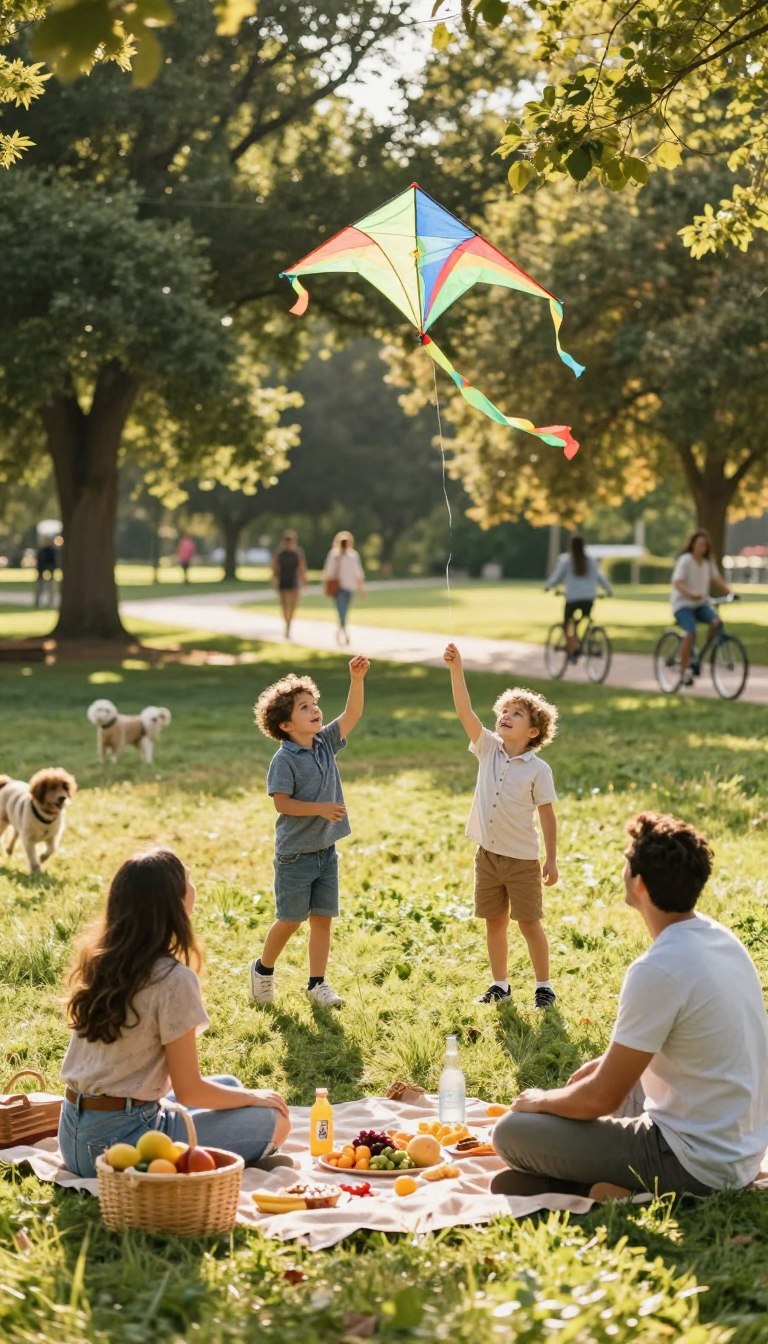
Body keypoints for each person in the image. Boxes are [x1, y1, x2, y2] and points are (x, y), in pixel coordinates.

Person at [491, 811, 768, 1200]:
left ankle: (597, 1186)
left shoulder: (657, 968)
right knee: (584, 1089)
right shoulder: (722, 940)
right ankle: (593, 1178)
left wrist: (540, 1100)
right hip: (741, 1145)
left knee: (512, 1132)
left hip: (695, 1162)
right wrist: (601, 1070)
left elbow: (599, 1099)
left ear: (638, 883)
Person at [59, 848, 291, 1178]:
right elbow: (190, 1091)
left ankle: (247, 1146)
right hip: (118, 1145)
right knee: (275, 1118)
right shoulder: (172, 978)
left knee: (229, 1085)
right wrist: (254, 1097)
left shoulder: (103, 961)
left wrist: (244, 1095)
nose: (193, 888)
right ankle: (252, 1150)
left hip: (72, 1133)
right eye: (189, 881)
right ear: (174, 902)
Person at [249, 655, 370, 1008]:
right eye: (305, 708)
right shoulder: (284, 760)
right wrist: (319, 808)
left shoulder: (324, 742)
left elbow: (352, 715)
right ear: (286, 725)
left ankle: (317, 984)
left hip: (325, 851)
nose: (316, 711)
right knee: (289, 920)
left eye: (314, 704)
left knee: (322, 920)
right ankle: (263, 969)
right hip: (295, 855)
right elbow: (282, 804)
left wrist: (357, 679)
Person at [443, 643, 559, 1009]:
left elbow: (547, 815)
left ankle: (543, 985)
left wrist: (551, 859)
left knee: (529, 924)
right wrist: (456, 668)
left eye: (516, 714)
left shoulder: (538, 770)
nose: (505, 716)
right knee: (495, 922)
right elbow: (464, 711)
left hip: (522, 860)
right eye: (504, 711)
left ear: (534, 730)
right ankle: (500, 984)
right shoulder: (488, 748)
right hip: (488, 856)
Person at [670, 529, 732, 686]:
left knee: (716, 622)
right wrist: (691, 593)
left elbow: (717, 579)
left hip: (699, 604)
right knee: (690, 633)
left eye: (705, 545)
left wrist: (730, 592)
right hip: (682, 605)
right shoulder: (685, 560)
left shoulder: (707, 562)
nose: (702, 548)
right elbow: (677, 583)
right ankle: (683, 672)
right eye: (699, 544)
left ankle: (700, 655)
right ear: (693, 545)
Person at [544, 533, 612, 659]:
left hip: (572, 598)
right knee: (582, 619)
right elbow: (600, 577)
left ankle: (572, 647)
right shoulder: (591, 560)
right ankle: (582, 641)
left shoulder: (566, 560)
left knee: (567, 623)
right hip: (589, 598)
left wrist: (548, 586)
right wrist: (608, 589)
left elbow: (557, 577)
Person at [323, 531, 365, 646]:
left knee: (345, 611)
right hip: (338, 588)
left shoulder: (353, 556)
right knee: (341, 610)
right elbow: (329, 572)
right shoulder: (334, 555)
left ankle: (340, 629)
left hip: (349, 587)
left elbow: (358, 573)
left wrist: (361, 589)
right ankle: (345, 633)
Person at [272, 530, 307, 640]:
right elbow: (275, 568)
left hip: (294, 582)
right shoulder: (280, 553)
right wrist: (275, 580)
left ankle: (289, 624)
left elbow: (302, 567)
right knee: (284, 605)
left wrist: (304, 580)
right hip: (283, 582)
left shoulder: (298, 552)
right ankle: (286, 623)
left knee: (293, 605)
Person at [35, 541, 58, 609]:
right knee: (41, 587)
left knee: (50, 588)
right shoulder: (42, 551)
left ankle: (50, 602)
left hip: (49, 572)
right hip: (42, 572)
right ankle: (39, 602)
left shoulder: (50, 551)